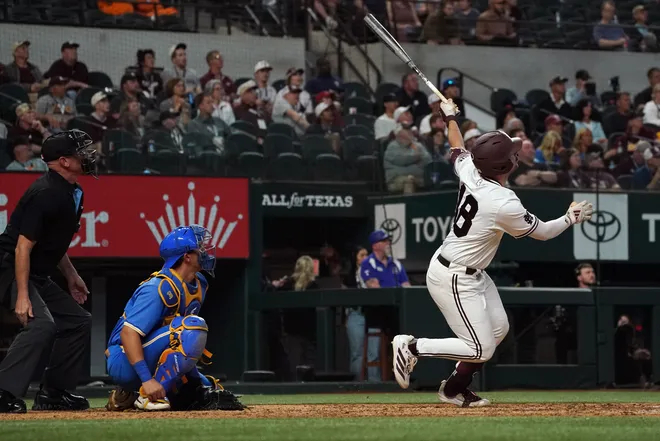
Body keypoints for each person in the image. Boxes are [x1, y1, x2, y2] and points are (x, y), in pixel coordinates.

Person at [391, 99, 594, 407]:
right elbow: (541, 233)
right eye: (512, 153)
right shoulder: (503, 201)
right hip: (454, 275)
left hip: (471, 270)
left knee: (498, 329)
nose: (516, 153)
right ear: (504, 165)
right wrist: (570, 218)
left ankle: (453, 389)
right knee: (480, 349)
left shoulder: (472, 169)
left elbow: (458, 147)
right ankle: (412, 346)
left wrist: (449, 118)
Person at [0, 130, 97, 414]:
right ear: (64, 161)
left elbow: (52, 243)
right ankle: (3, 391)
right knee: (41, 323)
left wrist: (71, 275)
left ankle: (53, 393)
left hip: (36, 272)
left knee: (78, 321)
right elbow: (22, 248)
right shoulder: (45, 193)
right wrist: (21, 296)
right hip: (8, 267)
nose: (88, 155)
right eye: (81, 151)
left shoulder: (71, 191)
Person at [105, 225, 242, 412]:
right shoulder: (158, 287)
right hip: (122, 359)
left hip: (148, 353)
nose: (204, 252)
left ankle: (128, 395)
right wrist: (147, 380)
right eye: (199, 248)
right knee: (192, 328)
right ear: (187, 256)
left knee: (208, 390)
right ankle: (146, 394)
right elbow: (128, 333)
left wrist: (197, 380)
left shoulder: (199, 284)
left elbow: (176, 345)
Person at [360, 230, 411, 381]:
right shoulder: (368, 263)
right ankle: (374, 384)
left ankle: (401, 378)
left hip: (396, 313)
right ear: (375, 245)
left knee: (402, 345)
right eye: (384, 241)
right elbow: (373, 286)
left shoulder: (395, 264)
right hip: (376, 313)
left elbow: (406, 286)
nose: (388, 244)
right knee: (374, 351)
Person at [343, 246, 370, 380]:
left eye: (367, 255)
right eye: (361, 255)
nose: (365, 258)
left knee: (373, 354)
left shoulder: (372, 272)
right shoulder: (348, 277)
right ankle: (356, 385)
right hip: (355, 314)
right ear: (355, 259)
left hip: (372, 314)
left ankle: (375, 385)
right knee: (357, 353)